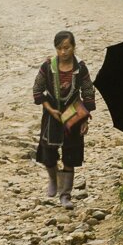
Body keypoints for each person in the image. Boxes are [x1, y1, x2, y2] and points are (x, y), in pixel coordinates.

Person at [33, 30, 96, 208]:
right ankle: (53, 179)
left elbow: (88, 92)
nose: (63, 52)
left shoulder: (80, 68)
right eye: (59, 48)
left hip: (73, 114)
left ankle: (65, 195)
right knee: (48, 152)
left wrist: (84, 120)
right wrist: (50, 109)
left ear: (74, 47)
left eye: (67, 48)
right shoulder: (47, 67)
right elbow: (37, 90)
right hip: (52, 114)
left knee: (70, 153)